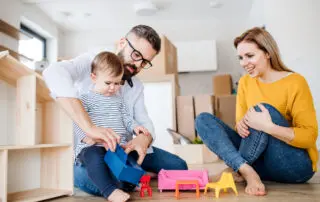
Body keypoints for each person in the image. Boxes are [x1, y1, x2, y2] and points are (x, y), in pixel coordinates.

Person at [43, 25, 188, 197]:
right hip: (93, 150)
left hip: (123, 148)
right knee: (97, 177)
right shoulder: (92, 63)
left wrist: (143, 139)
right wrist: (89, 128)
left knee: (179, 167)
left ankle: (129, 175)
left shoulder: (136, 86)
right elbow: (53, 72)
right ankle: (125, 179)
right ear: (122, 43)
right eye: (136, 55)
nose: (137, 65)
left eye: (145, 62)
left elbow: (143, 120)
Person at [195, 27, 318, 196]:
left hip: (293, 166)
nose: (244, 63)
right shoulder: (245, 82)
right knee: (203, 119)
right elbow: (241, 126)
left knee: (263, 109)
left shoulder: (295, 82)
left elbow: (309, 136)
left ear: (268, 53)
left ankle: (235, 168)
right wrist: (242, 125)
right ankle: (246, 171)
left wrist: (268, 127)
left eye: (250, 56)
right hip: (259, 164)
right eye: (240, 58)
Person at [74, 51, 151, 201]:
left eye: (117, 83)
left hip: (117, 147)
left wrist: (135, 127)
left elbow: (127, 119)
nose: (113, 88)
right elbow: (78, 122)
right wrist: (86, 137)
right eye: (108, 83)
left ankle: (131, 183)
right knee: (95, 157)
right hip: (94, 146)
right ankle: (109, 191)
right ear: (93, 78)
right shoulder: (85, 99)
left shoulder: (118, 100)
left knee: (130, 159)